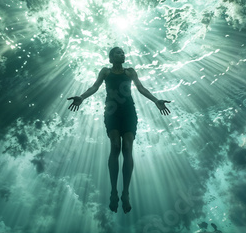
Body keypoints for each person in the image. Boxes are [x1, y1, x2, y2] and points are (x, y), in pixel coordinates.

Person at [67, 47, 171, 214]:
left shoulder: (130, 72)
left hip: (129, 112)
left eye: (123, 52)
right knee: (115, 146)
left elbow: (141, 88)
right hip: (112, 112)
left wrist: (156, 100)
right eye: (118, 52)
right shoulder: (105, 72)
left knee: (127, 148)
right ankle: (114, 191)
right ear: (110, 57)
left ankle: (125, 193)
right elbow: (94, 87)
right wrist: (82, 97)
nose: (122, 54)